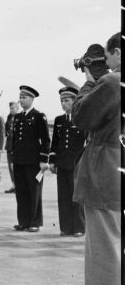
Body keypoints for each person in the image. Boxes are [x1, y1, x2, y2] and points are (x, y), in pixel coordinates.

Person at [72, 32, 122, 285]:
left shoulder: (114, 82)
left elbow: (81, 116)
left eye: (109, 55)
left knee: (105, 249)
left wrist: (90, 80)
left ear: (117, 53)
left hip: (108, 169)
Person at [10, 85, 50, 233]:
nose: (21, 100)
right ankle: (23, 221)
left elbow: (45, 139)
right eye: (20, 97)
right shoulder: (18, 117)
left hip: (33, 161)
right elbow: (14, 140)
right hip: (20, 160)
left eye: (24, 97)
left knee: (34, 192)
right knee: (21, 192)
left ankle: (35, 222)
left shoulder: (39, 116)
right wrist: (14, 158)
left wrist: (43, 159)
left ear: (32, 99)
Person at [49, 87, 86, 237]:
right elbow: (55, 143)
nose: (63, 104)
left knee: (76, 197)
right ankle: (65, 227)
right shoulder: (59, 120)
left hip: (77, 164)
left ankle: (79, 228)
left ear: (74, 101)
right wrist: (52, 161)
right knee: (63, 197)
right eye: (62, 101)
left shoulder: (83, 119)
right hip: (62, 164)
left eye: (66, 101)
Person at [4, 101, 21, 193]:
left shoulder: (21, 118)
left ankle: (19, 185)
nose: (11, 110)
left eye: (13, 108)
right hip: (9, 146)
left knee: (16, 167)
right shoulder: (9, 117)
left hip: (17, 146)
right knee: (10, 168)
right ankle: (14, 185)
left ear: (17, 108)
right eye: (10, 108)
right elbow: (6, 129)